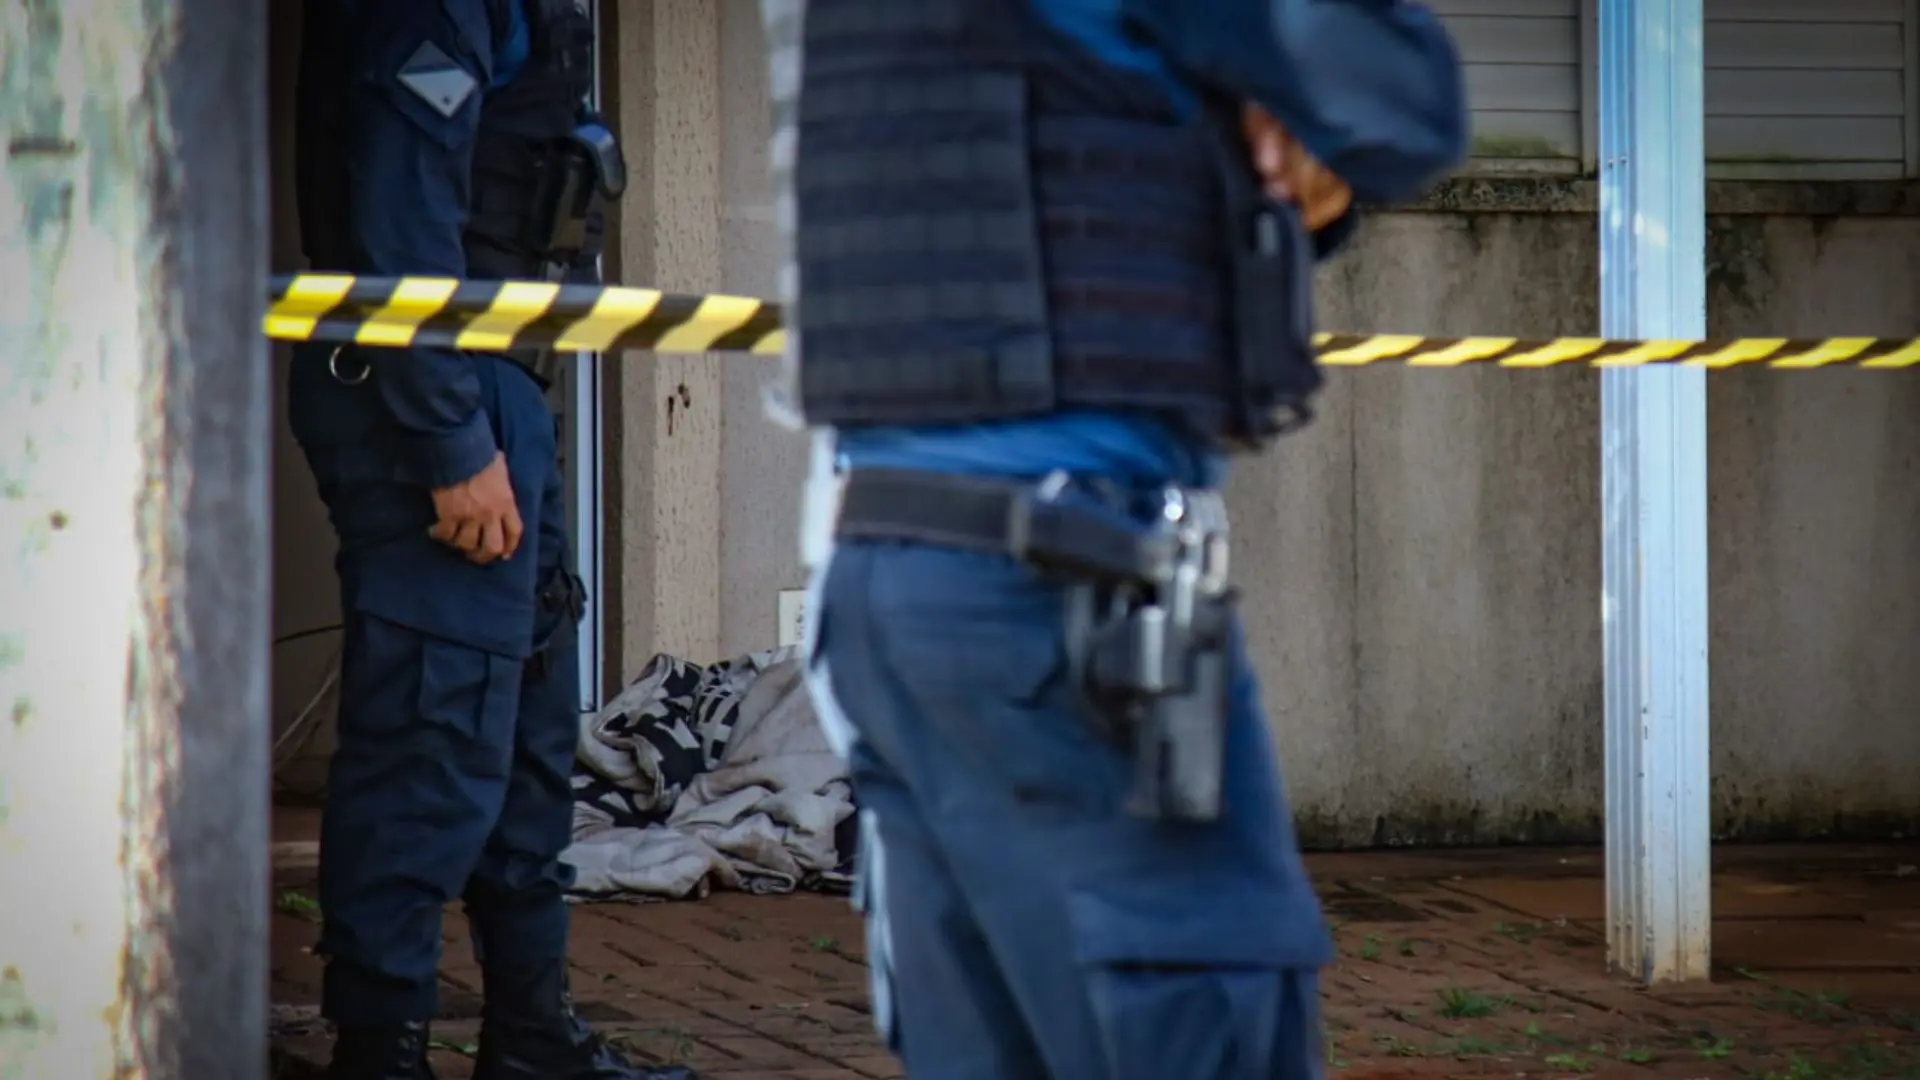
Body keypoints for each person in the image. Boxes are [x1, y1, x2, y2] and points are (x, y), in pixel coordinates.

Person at [766, 0, 1466, 1075]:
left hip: (883, 582)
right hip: (1064, 592)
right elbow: (1402, 98)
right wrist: (1287, 127)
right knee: (1208, 1023)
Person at [289, 3, 694, 1078]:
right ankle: (381, 1046)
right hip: (433, 391)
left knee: (524, 726)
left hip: (500, 384)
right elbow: (402, 218)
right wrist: (449, 439)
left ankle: (532, 1035)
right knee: (433, 735)